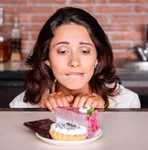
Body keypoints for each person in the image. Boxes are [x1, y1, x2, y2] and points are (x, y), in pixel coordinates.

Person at [9, 7, 140, 110]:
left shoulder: (127, 102)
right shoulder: (21, 106)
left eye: (84, 51)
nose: (74, 62)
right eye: (62, 51)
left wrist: (105, 114)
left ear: (97, 58)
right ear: (46, 58)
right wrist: (39, 114)